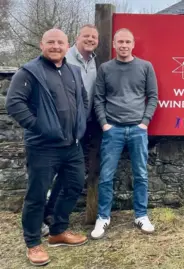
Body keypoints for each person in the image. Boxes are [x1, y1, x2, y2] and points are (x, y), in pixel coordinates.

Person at [6, 28, 88, 266]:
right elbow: (14, 103)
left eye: (60, 42)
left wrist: (79, 125)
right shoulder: (29, 72)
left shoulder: (73, 70)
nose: (55, 46)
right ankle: (33, 243)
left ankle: (57, 232)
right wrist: (39, 126)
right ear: (41, 44)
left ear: (67, 45)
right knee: (37, 196)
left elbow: (82, 99)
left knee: (73, 187)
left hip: (72, 145)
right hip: (43, 146)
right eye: (50, 42)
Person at [91, 28, 158, 239]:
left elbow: (153, 96)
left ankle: (141, 215)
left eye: (127, 41)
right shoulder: (105, 68)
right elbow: (98, 98)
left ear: (133, 44)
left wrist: (144, 123)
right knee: (106, 176)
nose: (124, 45)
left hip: (138, 129)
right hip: (113, 129)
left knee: (141, 174)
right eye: (120, 41)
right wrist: (104, 124)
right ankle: (103, 217)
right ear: (114, 44)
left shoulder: (145, 67)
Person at [42, 23, 99, 236]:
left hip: (83, 126)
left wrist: (84, 121)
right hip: (58, 127)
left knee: (70, 175)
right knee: (47, 175)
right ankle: (40, 218)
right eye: (86, 36)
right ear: (77, 38)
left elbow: (88, 95)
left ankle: (53, 215)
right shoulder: (65, 58)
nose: (90, 40)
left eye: (94, 37)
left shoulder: (94, 61)